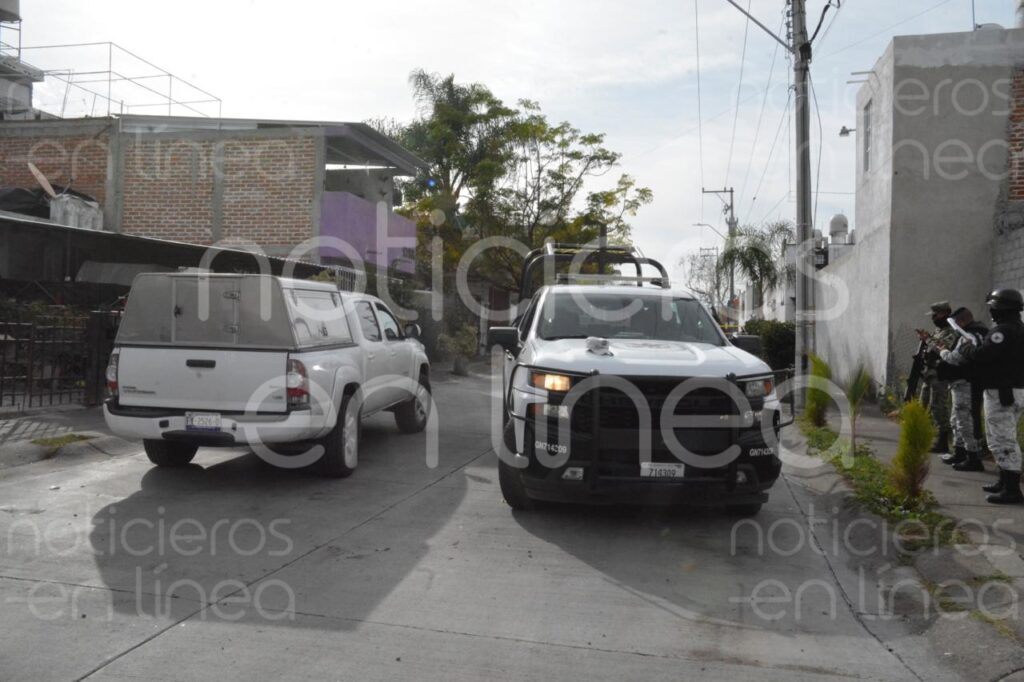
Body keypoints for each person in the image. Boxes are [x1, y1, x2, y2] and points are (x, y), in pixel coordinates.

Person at [951, 289, 1024, 505]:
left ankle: (1011, 489)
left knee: (1002, 439)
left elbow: (983, 356)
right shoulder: (1018, 329)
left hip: (1002, 392)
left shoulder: (1001, 332)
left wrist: (967, 351)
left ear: (998, 308)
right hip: (1011, 390)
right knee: (1000, 436)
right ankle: (1004, 481)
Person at [936, 307, 987, 470]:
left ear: (963, 321)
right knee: (957, 419)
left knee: (965, 420)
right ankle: (960, 453)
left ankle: (973, 457)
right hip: (961, 383)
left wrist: (942, 351)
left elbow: (954, 358)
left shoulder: (969, 335)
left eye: (956, 323)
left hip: (966, 383)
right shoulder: (973, 333)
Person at [916, 301, 957, 453]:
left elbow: (942, 349)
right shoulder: (938, 330)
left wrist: (928, 340)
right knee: (923, 405)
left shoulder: (951, 332)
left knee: (938, 407)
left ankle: (943, 442)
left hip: (940, 375)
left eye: (936, 315)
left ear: (945, 313)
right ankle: (921, 436)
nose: (933, 318)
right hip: (930, 373)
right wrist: (926, 340)